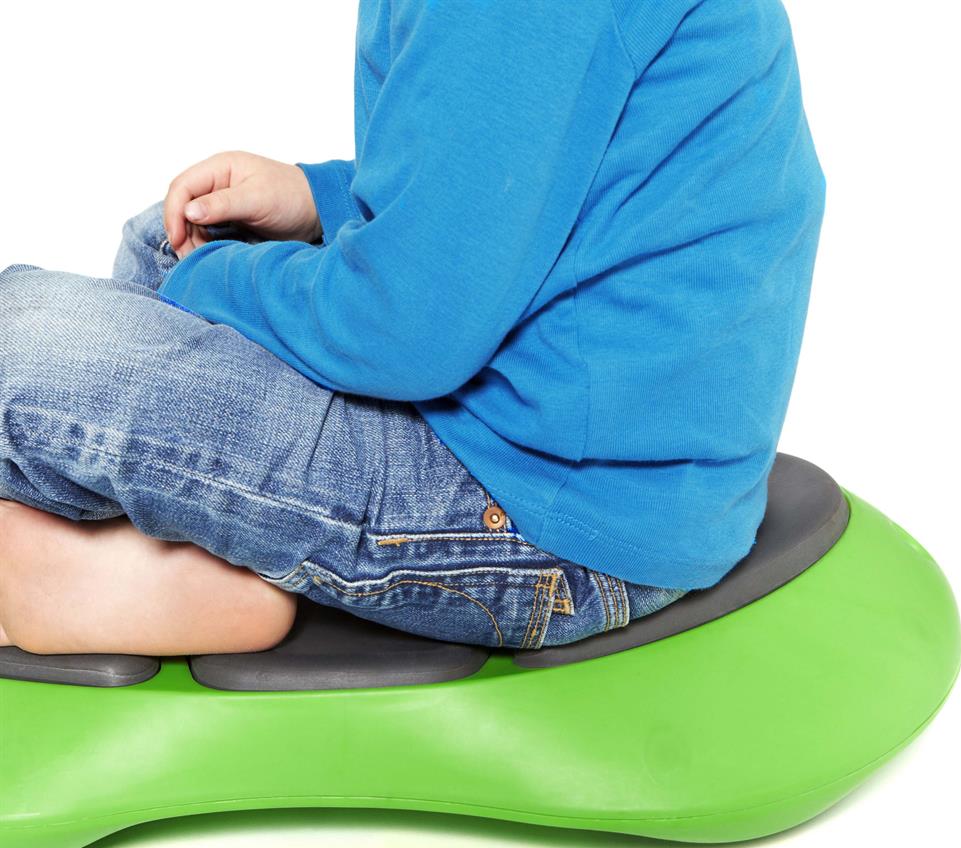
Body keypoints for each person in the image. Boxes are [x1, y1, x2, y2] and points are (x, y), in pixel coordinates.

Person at [0, 0, 825, 656]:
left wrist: (210, 281)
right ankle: (173, 560)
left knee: (23, 338)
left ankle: (144, 563)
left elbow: (403, 330)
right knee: (167, 240)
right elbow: (523, 172)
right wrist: (318, 198)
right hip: (589, 426)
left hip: (545, 514)